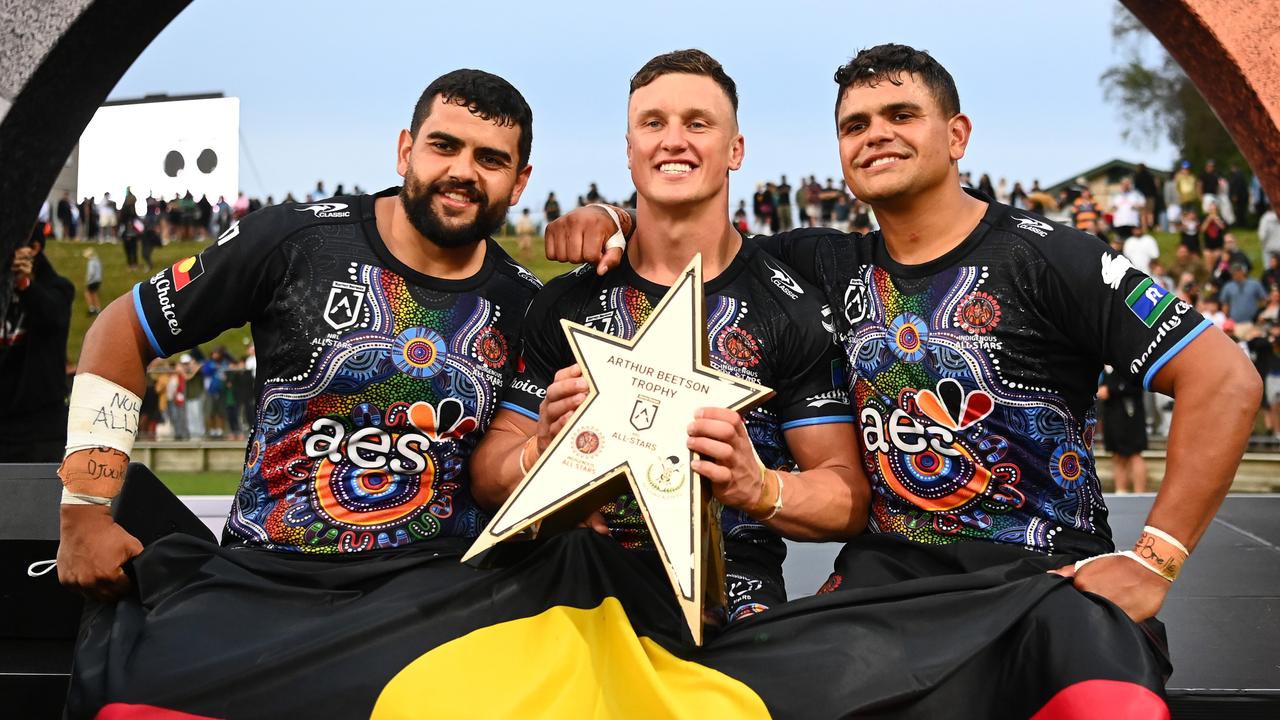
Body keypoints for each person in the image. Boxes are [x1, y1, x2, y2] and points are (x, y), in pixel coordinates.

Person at [551, 43, 1260, 713]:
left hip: (1042, 580)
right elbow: (693, 230)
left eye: (900, 116)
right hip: (886, 583)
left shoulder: (1053, 256)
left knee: (1110, 708)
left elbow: (1224, 378)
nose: (874, 136)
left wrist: (1155, 559)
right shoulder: (819, 264)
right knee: (728, 694)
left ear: (957, 135)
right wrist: (610, 215)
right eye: (854, 125)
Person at [57, 69, 543, 715]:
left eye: (490, 158)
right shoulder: (294, 239)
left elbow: (501, 474)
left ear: (520, 181)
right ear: (405, 149)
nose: (462, 171)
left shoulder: (527, 308)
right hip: (259, 576)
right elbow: (122, 328)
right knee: (129, 694)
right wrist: (85, 512)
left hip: (425, 596)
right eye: (443, 146)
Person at [472, 49, 868, 624]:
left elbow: (847, 496)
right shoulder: (568, 302)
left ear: (736, 150)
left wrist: (757, 486)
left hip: (727, 596)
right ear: (630, 150)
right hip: (570, 582)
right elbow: (489, 475)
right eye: (652, 123)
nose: (673, 141)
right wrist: (538, 452)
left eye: (698, 124)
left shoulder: (790, 307)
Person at [0, 229, 74, 462]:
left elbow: (52, 315)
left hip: (41, 429)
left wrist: (25, 285)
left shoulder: (59, 288)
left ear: (34, 249)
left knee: (37, 496)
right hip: (4, 422)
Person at [1099, 365, 1148, 493]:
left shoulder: (1129, 363)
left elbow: (1135, 386)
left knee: (1134, 454)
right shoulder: (1106, 367)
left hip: (1130, 415)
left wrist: (1110, 389)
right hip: (1112, 416)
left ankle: (1140, 494)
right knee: (1117, 454)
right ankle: (1120, 491)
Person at [82, 247, 102, 315]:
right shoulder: (97, 260)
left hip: (92, 281)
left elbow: (91, 272)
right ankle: (98, 308)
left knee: (87, 293)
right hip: (98, 280)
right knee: (94, 294)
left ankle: (91, 308)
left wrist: (88, 280)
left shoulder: (91, 262)